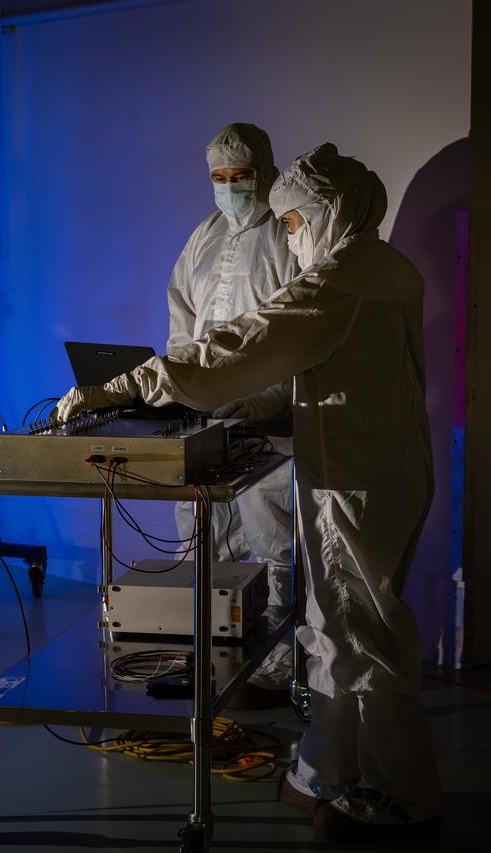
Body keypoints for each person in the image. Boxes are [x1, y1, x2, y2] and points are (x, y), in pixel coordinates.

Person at [56, 143, 440, 844]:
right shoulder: (385, 268)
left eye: (294, 223)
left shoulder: (340, 279)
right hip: (377, 467)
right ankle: (323, 769)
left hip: (353, 478)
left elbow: (241, 343)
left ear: (326, 211)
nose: (288, 235)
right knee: (337, 625)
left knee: (361, 630)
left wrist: (131, 382)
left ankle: (403, 794)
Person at [164, 123, 298, 706]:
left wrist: (265, 399)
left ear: (263, 172)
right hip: (206, 417)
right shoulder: (205, 235)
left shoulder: (287, 237)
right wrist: (177, 382)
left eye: (239, 177)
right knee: (200, 536)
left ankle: (280, 664)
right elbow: (181, 317)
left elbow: (299, 332)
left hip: (268, 422)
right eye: (218, 178)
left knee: (273, 539)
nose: (228, 187)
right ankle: (210, 652)